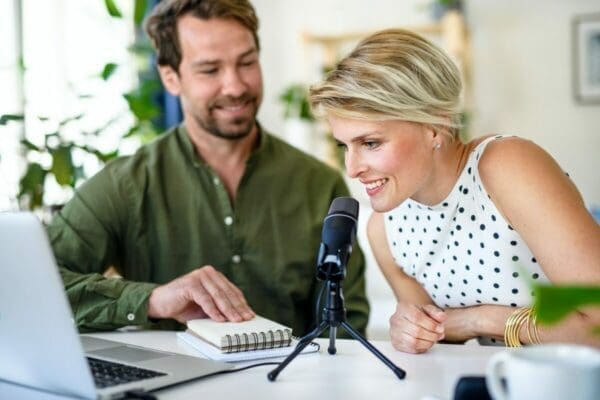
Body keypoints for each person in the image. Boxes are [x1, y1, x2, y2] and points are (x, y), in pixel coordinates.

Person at [47, 0, 369, 336]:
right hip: (169, 388)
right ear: (171, 78)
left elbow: (344, 328)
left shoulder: (319, 185)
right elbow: (34, 285)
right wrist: (153, 300)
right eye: (210, 70)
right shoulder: (125, 184)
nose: (235, 86)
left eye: (246, 63)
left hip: (288, 385)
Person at [309, 28, 600, 353]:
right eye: (344, 146)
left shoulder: (506, 166)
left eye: (371, 143)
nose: (352, 168)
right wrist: (412, 332)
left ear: (435, 126)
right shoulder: (385, 230)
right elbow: (439, 338)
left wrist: (480, 320)